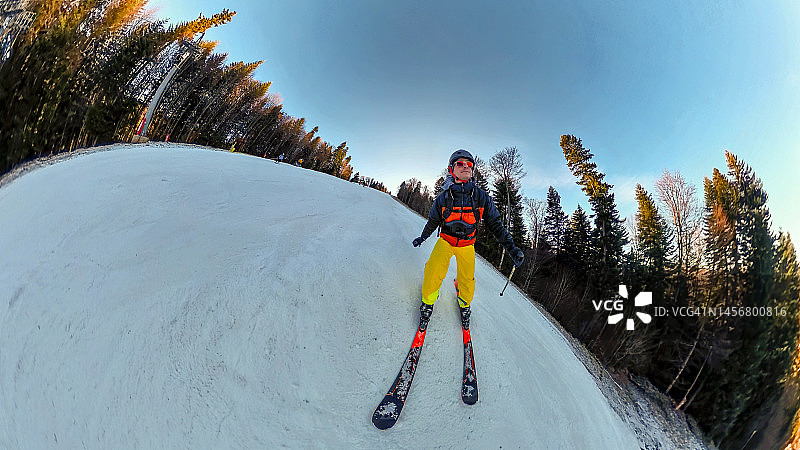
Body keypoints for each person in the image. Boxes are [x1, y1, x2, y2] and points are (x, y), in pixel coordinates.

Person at [412, 149, 524, 331]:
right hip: (446, 241)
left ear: (472, 171)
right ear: (451, 169)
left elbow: (496, 224)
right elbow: (433, 221)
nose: (465, 166)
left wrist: (512, 249)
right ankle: (427, 303)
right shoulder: (443, 198)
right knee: (433, 270)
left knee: (467, 280)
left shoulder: (481, 197)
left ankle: (465, 306)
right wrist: (423, 237)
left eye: (469, 165)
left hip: (467, 245)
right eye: (460, 163)